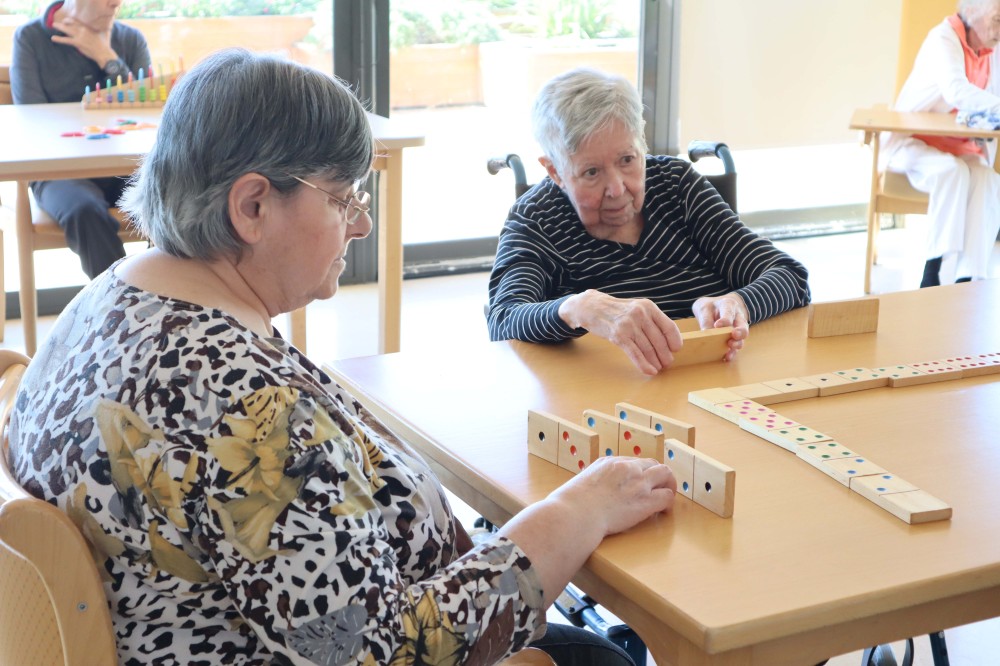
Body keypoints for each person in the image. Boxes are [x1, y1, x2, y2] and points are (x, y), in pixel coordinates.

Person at [7, 50, 677, 666]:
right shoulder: (241, 400)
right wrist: (578, 509)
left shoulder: (106, 298)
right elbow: (378, 653)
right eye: (343, 197)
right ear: (252, 205)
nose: (359, 223)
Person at [487, 68, 811, 376]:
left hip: (717, 380)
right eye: (591, 172)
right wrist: (577, 308)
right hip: (608, 401)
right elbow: (503, 319)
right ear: (555, 171)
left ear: (642, 144)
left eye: (627, 160)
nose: (617, 189)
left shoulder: (676, 185)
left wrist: (739, 302)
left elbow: (790, 278)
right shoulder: (536, 218)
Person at [10, 0, 151, 278]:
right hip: (57, 173)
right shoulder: (30, 38)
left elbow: (149, 113)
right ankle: (119, 306)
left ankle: (175, 304)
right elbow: (32, 121)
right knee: (84, 210)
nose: (117, 3)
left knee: (177, 195)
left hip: (124, 166)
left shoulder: (131, 39)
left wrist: (107, 58)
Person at [882, 0, 1000, 288]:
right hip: (913, 141)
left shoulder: (992, 48)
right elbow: (955, 90)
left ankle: (969, 277)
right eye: (997, 19)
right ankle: (931, 270)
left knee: (988, 178)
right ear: (973, 13)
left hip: (959, 145)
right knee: (951, 172)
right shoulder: (943, 38)